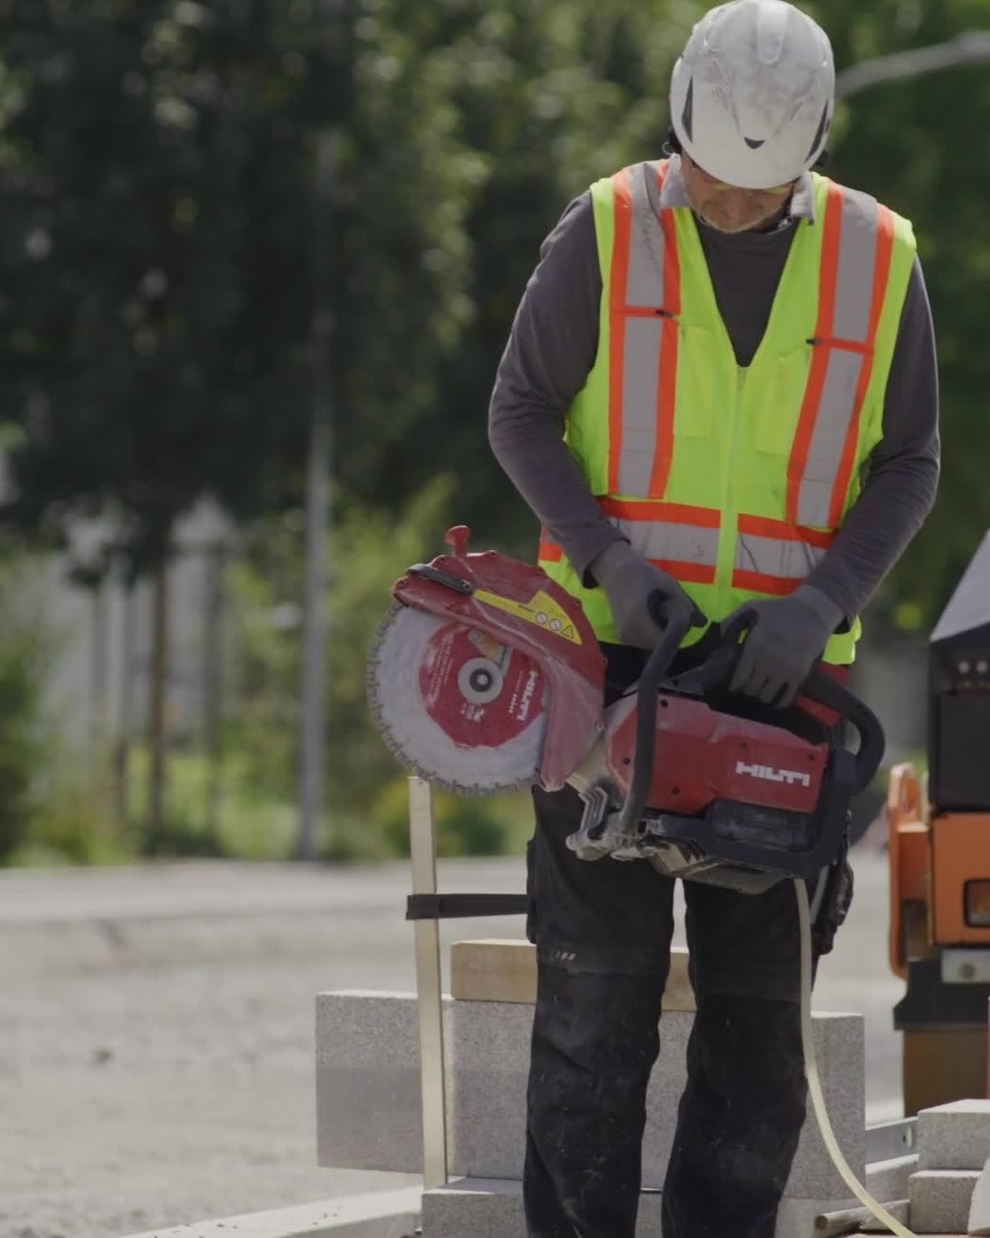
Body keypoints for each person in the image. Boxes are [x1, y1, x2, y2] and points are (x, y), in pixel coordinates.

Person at [487, 1, 940, 1235]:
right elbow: (520, 410)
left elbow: (911, 462)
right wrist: (608, 559)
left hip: (782, 689)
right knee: (592, 1005)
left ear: (815, 149)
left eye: (762, 187)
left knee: (757, 1031)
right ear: (677, 121)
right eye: (712, 178)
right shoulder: (609, 227)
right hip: (611, 671)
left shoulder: (878, 256)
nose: (732, 203)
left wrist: (824, 599)